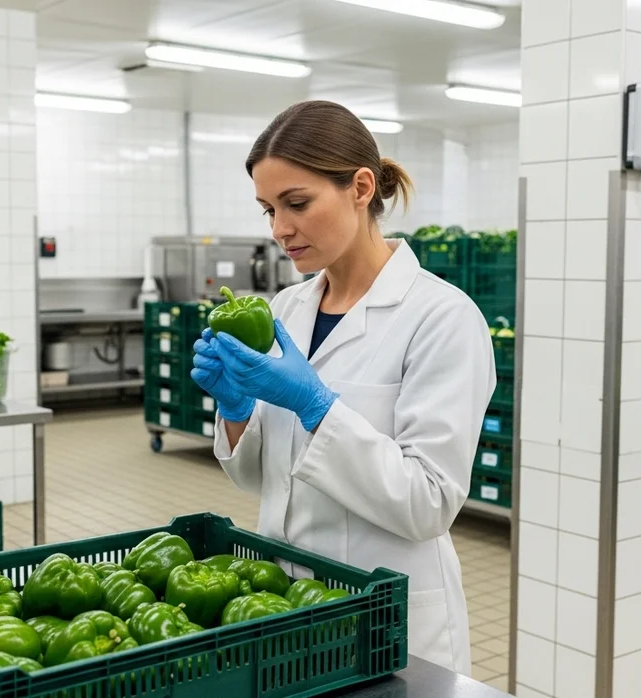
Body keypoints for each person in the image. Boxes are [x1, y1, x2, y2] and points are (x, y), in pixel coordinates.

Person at [190, 101, 494, 674]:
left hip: (384, 618)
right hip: (284, 602)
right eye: (268, 210)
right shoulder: (287, 308)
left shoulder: (442, 317)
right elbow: (261, 478)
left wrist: (316, 407)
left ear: (360, 187)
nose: (280, 229)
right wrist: (236, 410)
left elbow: (429, 503)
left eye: (297, 204)